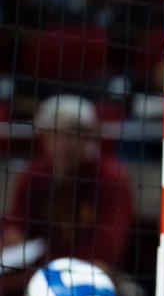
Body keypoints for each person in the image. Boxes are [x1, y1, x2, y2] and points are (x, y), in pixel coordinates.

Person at [1, 95, 135, 273]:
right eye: (54, 134)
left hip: (92, 275)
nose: (61, 145)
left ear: (89, 137)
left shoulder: (111, 178)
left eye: (71, 135)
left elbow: (107, 254)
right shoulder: (34, 174)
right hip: (38, 274)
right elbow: (14, 231)